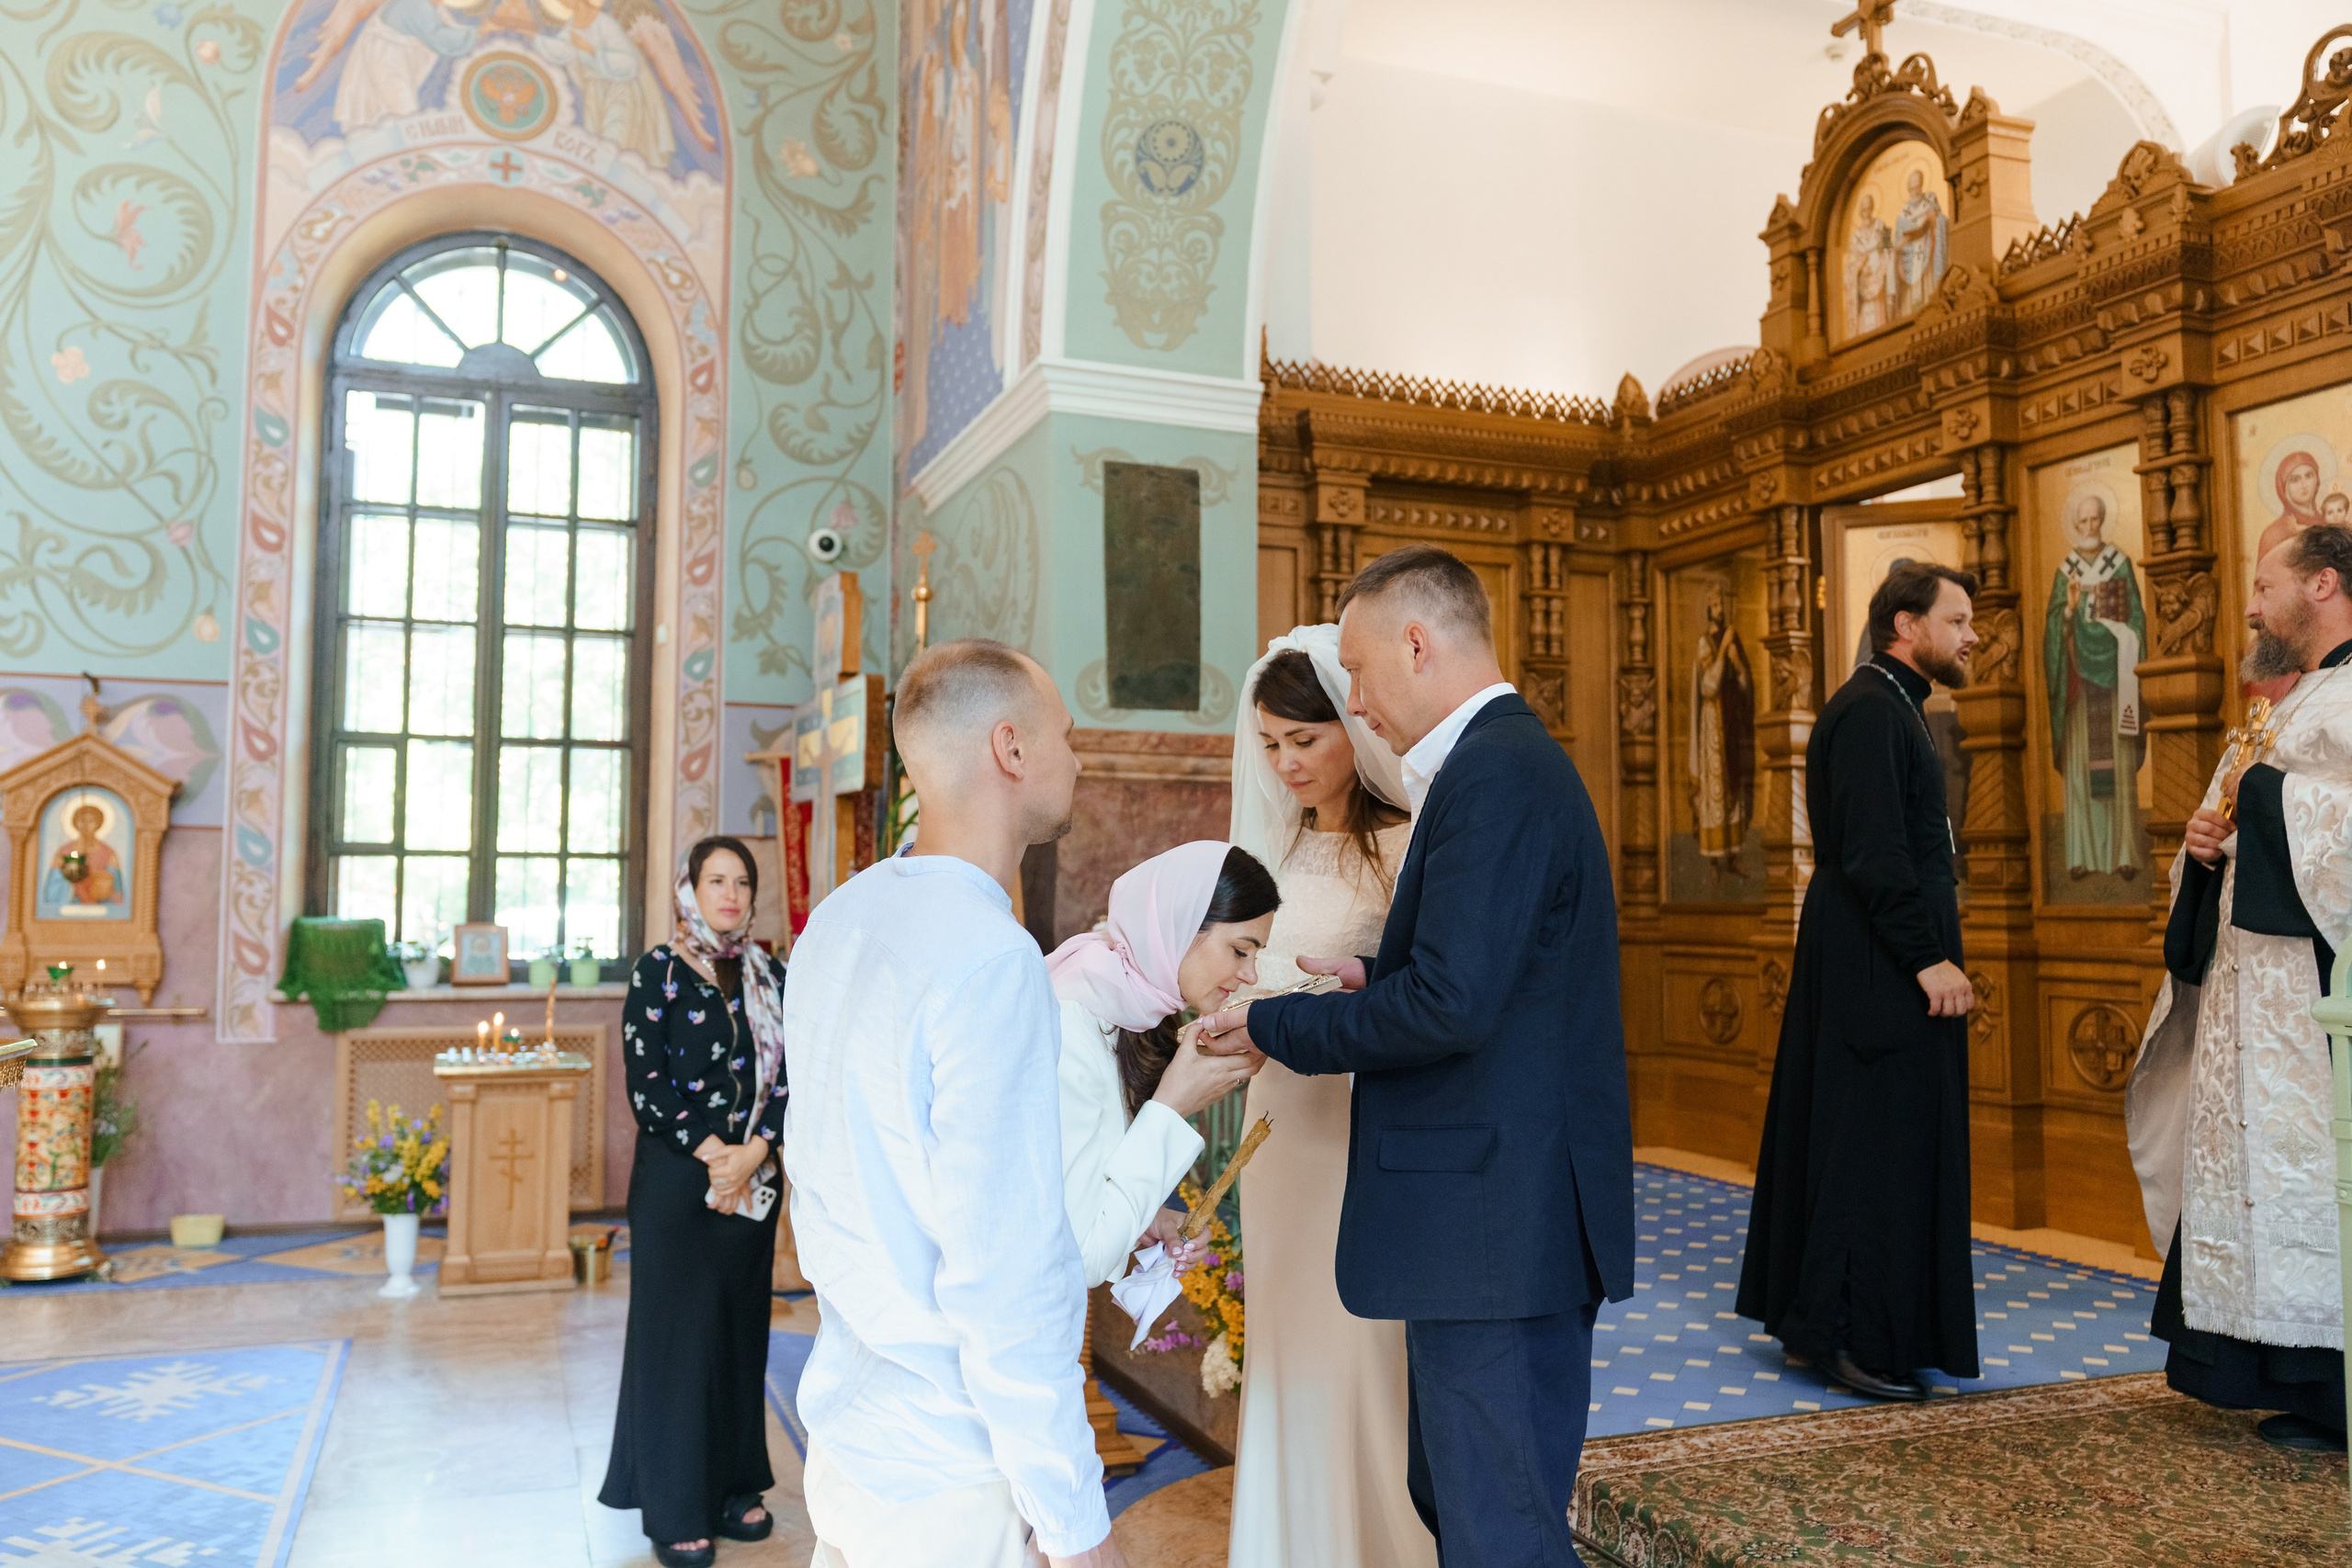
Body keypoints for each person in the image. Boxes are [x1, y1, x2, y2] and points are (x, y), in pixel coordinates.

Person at [1197, 545, 1634, 1568]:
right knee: (1465, 1502)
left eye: (1355, 669)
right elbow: (1475, 984)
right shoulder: (1497, 767)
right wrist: (1371, 986)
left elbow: (1449, 1007)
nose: (1354, 696)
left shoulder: (1495, 776)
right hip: (1484, 1218)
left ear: (1416, 642)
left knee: (1499, 1529)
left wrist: (1271, 1024)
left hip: (1498, 1223)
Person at [782, 637, 1127, 1568]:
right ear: (1010, 749)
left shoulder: (839, 922)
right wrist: (1072, 1517)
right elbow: (1004, 1270)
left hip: (856, 1430)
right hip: (956, 1465)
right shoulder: (988, 954)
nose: (1079, 757)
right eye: (1064, 734)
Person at [1735, 562, 1982, 1404]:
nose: (1971, 636)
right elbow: (1878, 852)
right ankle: (1851, 1333)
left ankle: (1832, 1323)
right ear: (1905, 626)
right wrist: (1926, 957)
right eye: (1957, 620)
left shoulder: (1891, 705)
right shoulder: (1875, 707)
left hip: (1868, 950)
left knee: (1867, 1135)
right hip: (1879, 961)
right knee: (1873, 1143)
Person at [2131, 524, 2352, 1451]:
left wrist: (2261, 799)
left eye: (2265, 587)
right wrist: (2206, 844)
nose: (2252, 607)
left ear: (2324, 585)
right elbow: (2252, 811)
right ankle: (2278, 1375)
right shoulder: (2295, 701)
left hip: (2310, 1009)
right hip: (2247, 998)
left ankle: (2331, 1388)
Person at [1223, 629, 1431, 1568]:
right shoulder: (1272, 848)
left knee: (1356, 1336)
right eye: (1270, 744)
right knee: (1283, 1329)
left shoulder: (1402, 845)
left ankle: (1376, 1541)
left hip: (1354, 1123)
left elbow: (1422, 992)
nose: (1285, 763)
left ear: (1351, 726)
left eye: (1303, 739)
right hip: (1274, 1123)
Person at [599, 835, 788, 1568]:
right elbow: (648, 1086)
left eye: (742, 881)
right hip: (681, 1181)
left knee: (739, 1336)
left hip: (752, 1181)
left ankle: (735, 1482)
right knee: (678, 1342)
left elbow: (788, 1078)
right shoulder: (660, 971)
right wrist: (718, 1158)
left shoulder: (771, 972)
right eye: (716, 880)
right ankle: (676, 1505)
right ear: (691, 888)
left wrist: (754, 1154)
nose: (731, 894)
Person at [1047, 840, 1274, 1286]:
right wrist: (1171, 1107)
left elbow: (1081, 1193)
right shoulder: (1069, 1028)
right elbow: (1078, 1258)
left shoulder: (1123, 1008)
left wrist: (1146, 1218)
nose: (1251, 975)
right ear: (1180, 928)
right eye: (1240, 950)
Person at [2045, 493, 2146, 880]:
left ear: (2103, 521)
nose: (2089, 527)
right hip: (2078, 684)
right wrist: (2069, 610)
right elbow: (2054, 627)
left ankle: (2124, 854)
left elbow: (2136, 618)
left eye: (2095, 520)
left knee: (2118, 767)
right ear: (2075, 524)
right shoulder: (2064, 570)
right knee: (2080, 768)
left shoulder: (2117, 563)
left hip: (2116, 676)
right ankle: (2081, 856)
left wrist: (2121, 635)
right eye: (2083, 521)